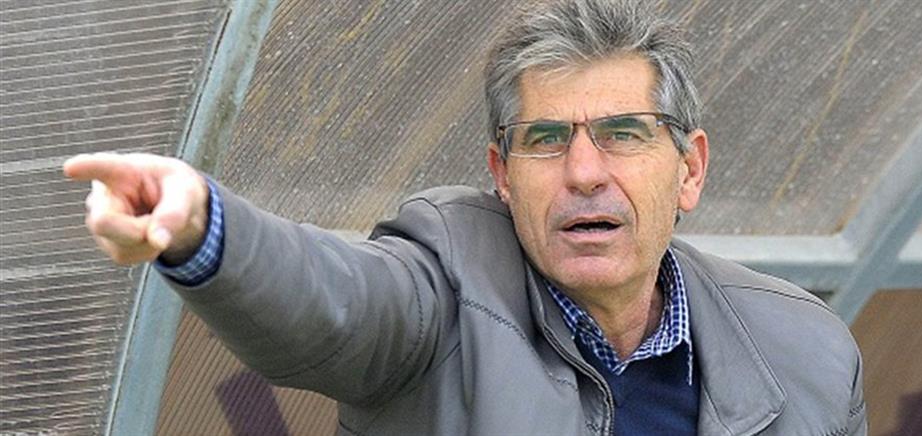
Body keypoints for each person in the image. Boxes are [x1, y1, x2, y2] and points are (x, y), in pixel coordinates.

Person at [64, 0, 866, 434]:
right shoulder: (444, 283)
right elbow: (332, 299)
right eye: (545, 139)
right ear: (501, 175)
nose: (584, 172)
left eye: (622, 134)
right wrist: (203, 225)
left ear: (688, 169)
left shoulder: (807, 351)